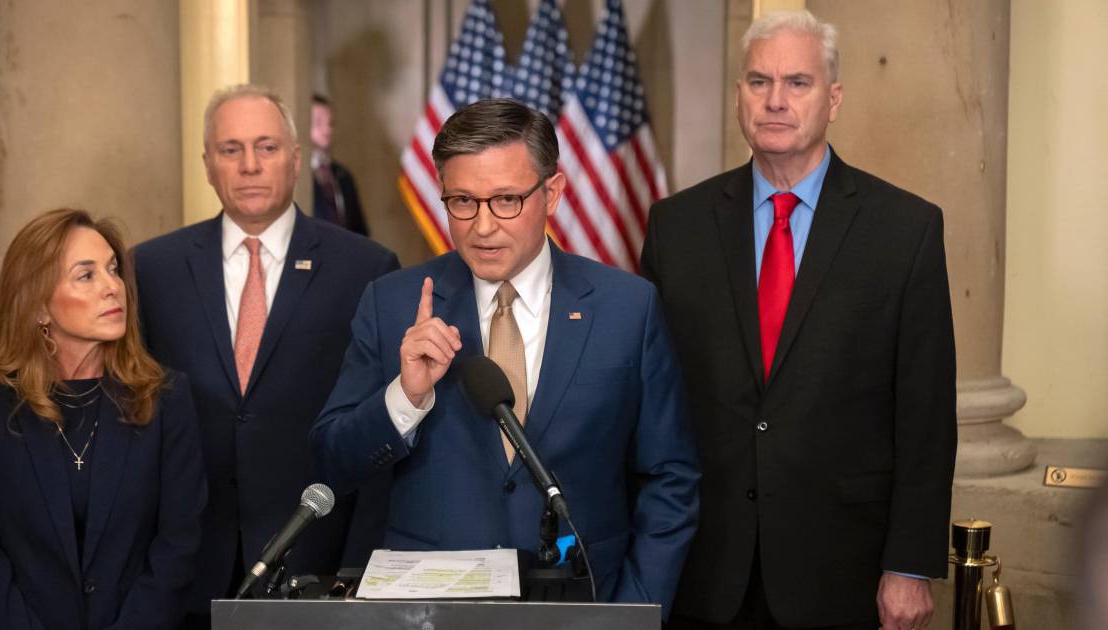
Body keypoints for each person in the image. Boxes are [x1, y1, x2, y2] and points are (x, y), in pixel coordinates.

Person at [309, 98, 700, 618]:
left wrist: (630, 614)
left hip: (582, 607)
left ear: (552, 193)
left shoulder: (627, 308)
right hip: (429, 612)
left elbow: (670, 478)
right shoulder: (392, 304)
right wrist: (405, 398)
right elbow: (333, 461)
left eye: (506, 200)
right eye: (462, 201)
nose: (483, 226)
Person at [641, 10, 957, 630]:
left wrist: (910, 565)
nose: (775, 101)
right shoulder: (676, 227)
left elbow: (926, 416)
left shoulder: (905, 230)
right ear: (739, 95)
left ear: (833, 99)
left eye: (798, 83)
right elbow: (650, 402)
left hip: (843, 572)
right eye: (759, 82)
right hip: (704, 571)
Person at [132, 84, 399, 627]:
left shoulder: (366, 269)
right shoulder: (151, 270)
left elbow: (381, 433)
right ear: (208, 165)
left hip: (319, 565)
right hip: (184, 570)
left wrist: (361, 569)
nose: (249, 165)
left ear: (296, 159)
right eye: (231, 150)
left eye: (267, 147)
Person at [0, 209, 206, 630]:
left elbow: (178, 547)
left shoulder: (166, 398)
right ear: (38, 307)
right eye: (86, 275)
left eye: (113, 270)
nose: (113, 287)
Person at [311, 93, 369, 236]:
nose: (327, 130)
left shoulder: (343, 175)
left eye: (330, 123)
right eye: (318, 123)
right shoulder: (295, 175)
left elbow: (359, 230)